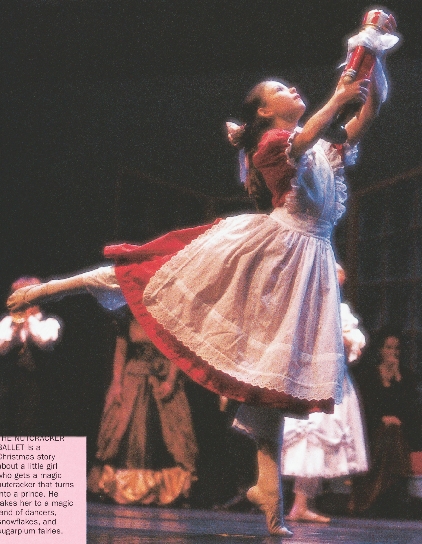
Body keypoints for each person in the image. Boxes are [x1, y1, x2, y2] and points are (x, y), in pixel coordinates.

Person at [8, 66, 383, 535]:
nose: (293, 89)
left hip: (306, 270)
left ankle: (269, 492)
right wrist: (339, 94)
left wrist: (374, 59)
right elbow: (303, 140)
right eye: (279, 90)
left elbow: (367, 113)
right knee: (151, 271)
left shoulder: (324, 149)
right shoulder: (272, 144)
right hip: (271, 255)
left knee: (274, 381)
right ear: (265, 111)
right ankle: (48, 289)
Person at [280, 264, 368, 523]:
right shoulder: (307, 306)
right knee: (309, 436)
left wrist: (349, 343)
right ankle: (294, 504)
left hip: (332, 379)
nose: (337, 287)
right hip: (312, 379)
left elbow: (352, 346)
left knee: (318, 438)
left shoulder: (339, 310)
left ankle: (301, 504)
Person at [88, 309, 198, 506]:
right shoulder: (127, 318)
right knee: (122, 425)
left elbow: (176, 351)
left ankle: (166, 490)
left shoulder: (169, 314)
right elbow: (121, 351)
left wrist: (171, 380)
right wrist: (117, 382)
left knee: (169, 430)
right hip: (134, 376)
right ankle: (117, 487)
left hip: (162, 377)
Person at [349, 327, 422, 517]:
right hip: (373, 432)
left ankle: (377, 499)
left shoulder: (406, 377)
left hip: (400, 434)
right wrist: (383, 419)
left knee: (393, 435)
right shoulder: (369, 376)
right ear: (381, 350)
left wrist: (397, 380)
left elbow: (411, 412)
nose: (393, 352)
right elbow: (366, 409)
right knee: (387, 436)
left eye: (397, 349)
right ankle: (391, 499)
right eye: (389, 348)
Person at [0, 277, 62, 435]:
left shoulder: (50, 322)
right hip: (8, 382)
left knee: (30, 426)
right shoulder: (7, 322)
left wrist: (29, 320)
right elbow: (2, 349)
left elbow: (44, 342)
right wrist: (15, 330)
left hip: (37, 383)